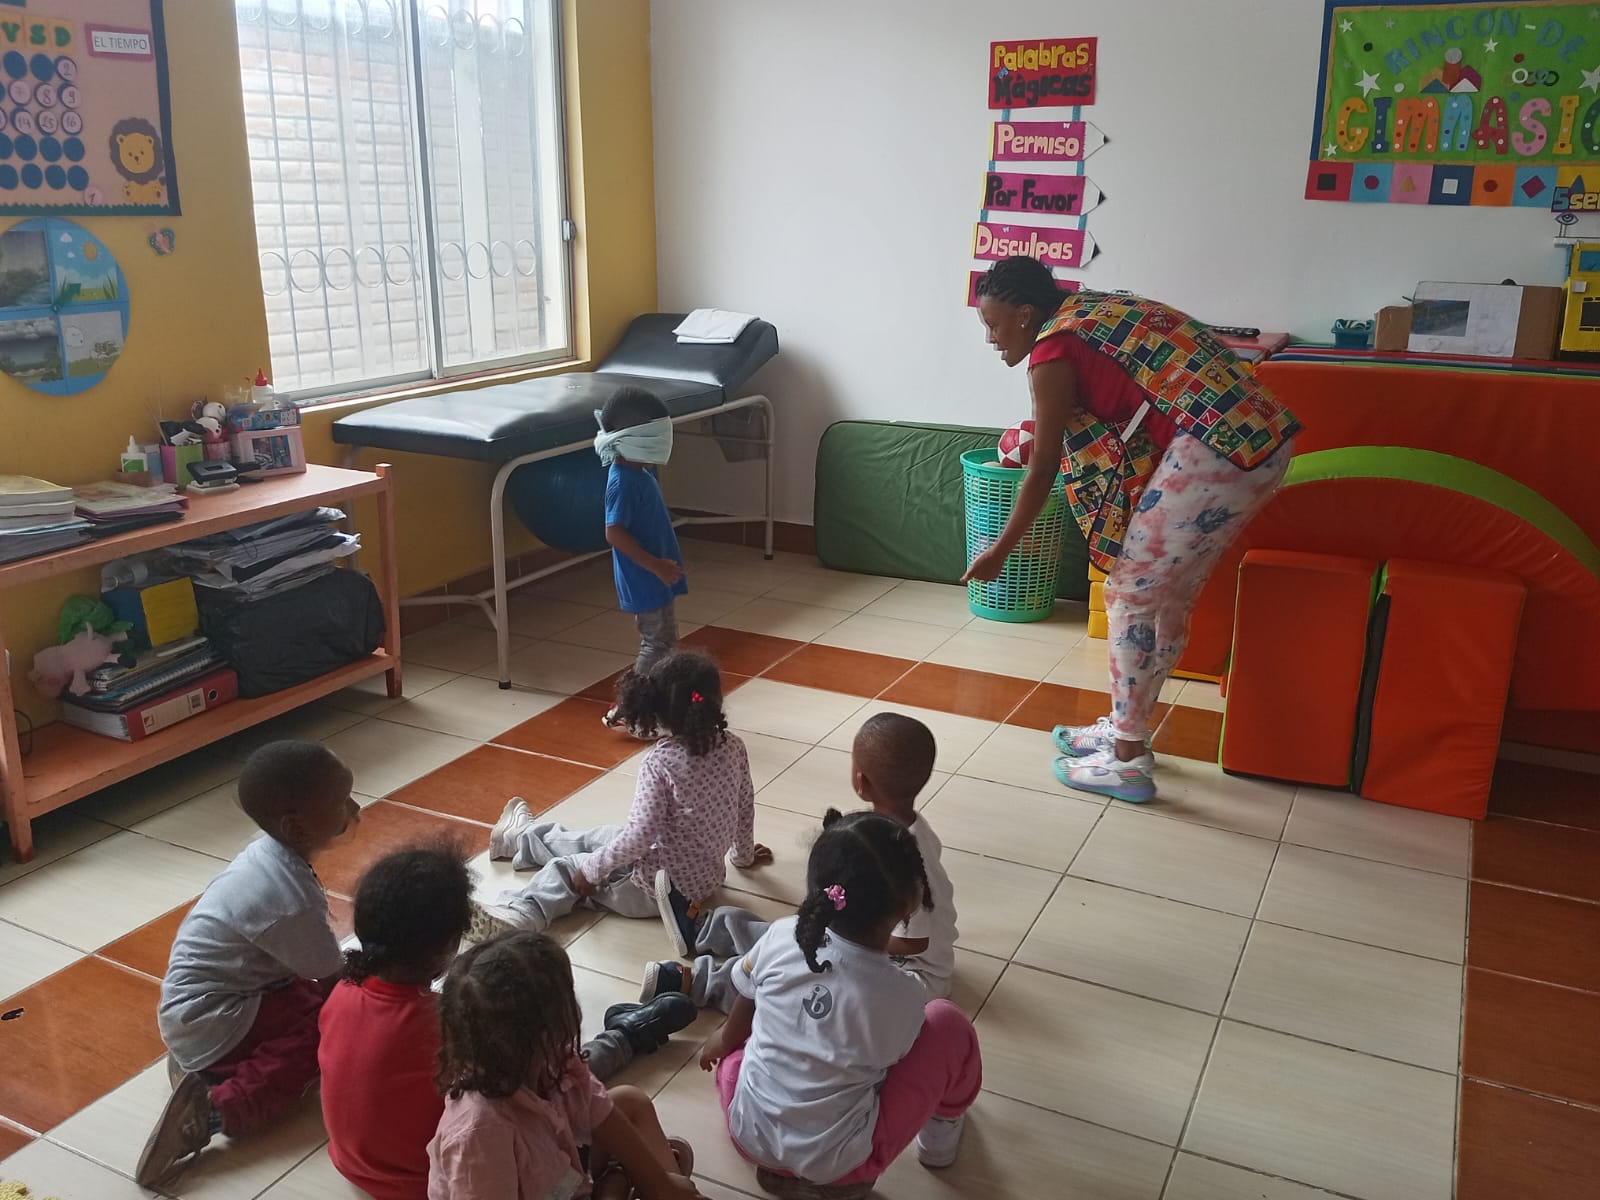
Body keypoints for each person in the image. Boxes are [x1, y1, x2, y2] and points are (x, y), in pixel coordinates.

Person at [964, 255, 1300, 803]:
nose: (990, 338)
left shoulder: (1052, 349)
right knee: (1167, 599)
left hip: (1215, 449)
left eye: (993, 324)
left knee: (1128, 596)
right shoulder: (1093, 313)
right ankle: (1129, 730)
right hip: (1261, 442)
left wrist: (1002, 548)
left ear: (1024, 315)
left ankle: (1126, 759)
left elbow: (1043, 467)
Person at [319, 844, 699, 1200]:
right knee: (580, 1076)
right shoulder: (465, 1072)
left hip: (363, 1164)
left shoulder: (345, 995)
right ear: (446, 945)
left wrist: (661, 1183)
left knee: (600, 1093)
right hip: (435, 1173)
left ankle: (620, 1173)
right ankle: (625, 1037)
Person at [699, 810, 983, 1200]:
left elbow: (747, 994)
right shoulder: (904, 993)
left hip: (750, 1136)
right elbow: (893, 1067)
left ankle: (782, 1169)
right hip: (839, 1165)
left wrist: (723, 1039)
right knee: (947, 1023)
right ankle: (940, 1136)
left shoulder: (781, 935)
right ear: (911, 903)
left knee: (739, 1060)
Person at [138, 741, 361, 1188]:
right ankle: (209, 1114)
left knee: (312, 1000)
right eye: (341, 801)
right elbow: (333, 983)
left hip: (207, 1006)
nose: (355, 809)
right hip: (213, 1017)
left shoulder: (269, 856)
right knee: (325, 1033)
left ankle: (201, 1067)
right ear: (295, 827)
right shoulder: (290, 899)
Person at [641, 712, 957, 1011]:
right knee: (792, 933)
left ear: (861, 782)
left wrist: (849, 939)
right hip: (878, 940)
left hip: (913, 975)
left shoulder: (909, 861)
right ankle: (702, 929)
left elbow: (915, 942)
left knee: (800, 969)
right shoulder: (894, 833)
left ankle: (702, 983)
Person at [475, 651, 772, 956]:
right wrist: (743, 856)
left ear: (657, 708)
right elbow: (744, 804)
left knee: (568, 869)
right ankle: (519, 838)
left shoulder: (661, 763)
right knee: (603, 837)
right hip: (704, 881)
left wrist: (591, 871)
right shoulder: (733, 747)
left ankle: (523, 913)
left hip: (654, 892)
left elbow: (640, 836)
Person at [428, 931, 706, 1200]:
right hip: (556, 1186)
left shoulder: (554, 1060)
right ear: (542, 1033)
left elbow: (601, 1111)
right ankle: (619, 1182)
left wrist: (660, 1183)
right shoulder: (479, 1135)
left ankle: (631, 1182)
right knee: (631, 1176)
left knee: (630, 1101)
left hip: (562, 1175)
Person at [595, 385, 687, 729]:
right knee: (657, 641)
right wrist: (656, 566)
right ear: (635, 439)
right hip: (644, 576)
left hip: (655, 575)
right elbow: (613, 532)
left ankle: (655, 702)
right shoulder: (622, 481)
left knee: (665, 639)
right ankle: (628, 706)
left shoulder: (638, 473)